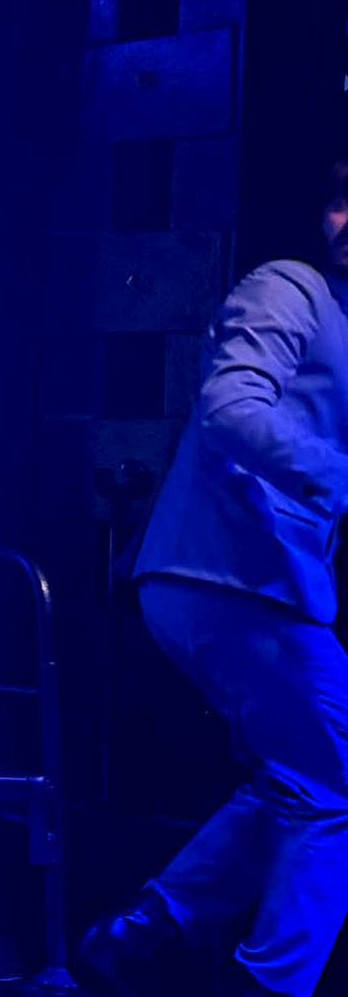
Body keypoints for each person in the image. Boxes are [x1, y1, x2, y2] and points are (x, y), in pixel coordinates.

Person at [86, 160, 348, 997]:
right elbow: (232, 408)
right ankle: (266, 984)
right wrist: (336, 474)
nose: (342, 221)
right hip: (226, 572)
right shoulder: (290, 289)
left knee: (302, 779)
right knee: (337, 779)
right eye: (338, 200)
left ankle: (141, 933)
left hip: (263, 583)